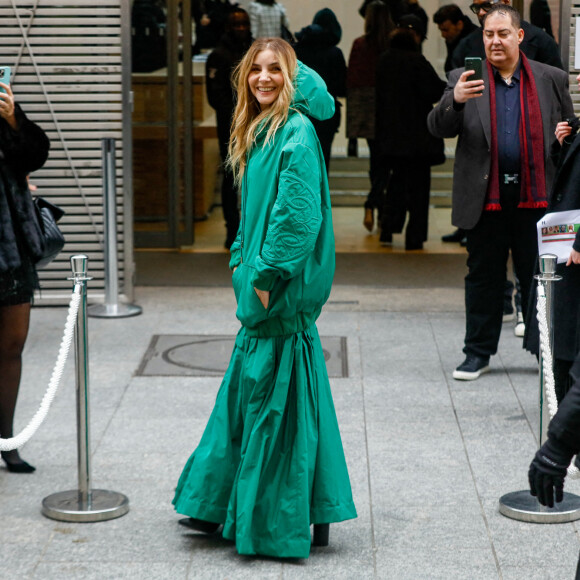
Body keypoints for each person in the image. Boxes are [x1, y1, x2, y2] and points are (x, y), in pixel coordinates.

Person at [173, 37, 357, 559]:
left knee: (276, 403)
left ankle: (277, 515)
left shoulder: (293, 130)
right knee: (260, 396)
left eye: (275, 69)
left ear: (292, 77)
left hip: (275, 292)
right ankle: (226, 502)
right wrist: (240, 259)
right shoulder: (260, 129)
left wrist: (264, 276)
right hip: (260, 285)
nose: (263, 78)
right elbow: (255, 212)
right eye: (256, 69)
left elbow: (296, 218)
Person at [427, 4, 573, 381]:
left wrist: (563, 142)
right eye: (488, 34)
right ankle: (477, 353)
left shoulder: (551, 78)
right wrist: (454, 99)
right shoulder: (464, 77)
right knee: (483, 279)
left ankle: (547, 353)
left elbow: (569, 139)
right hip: (485, 200)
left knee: (541, 279)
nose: (494, 41)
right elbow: (437, 127)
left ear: (519, 36)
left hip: (537, 200)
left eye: (502, 34)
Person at [0, 84, 51, 473]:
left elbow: (36, 154)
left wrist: (13, 118)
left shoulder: (6, 111)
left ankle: (7, 439)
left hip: (9, 246)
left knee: (12, 345)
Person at [525, 105, 580, 403]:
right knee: (559, 339)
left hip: (572, 247)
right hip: (563, 241)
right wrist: (564, 148)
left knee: (566, 342)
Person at [376, 26, 445, 249]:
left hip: (391, 136)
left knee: (395, 183)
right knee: (418, 190)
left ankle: (387, 229)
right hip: (417, 137)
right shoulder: (416, 61)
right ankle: (414, 237)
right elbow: (435, 91)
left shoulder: (384, 60)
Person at [206, 7, 253, 248]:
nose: (242, 29)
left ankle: (253, 231)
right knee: (231, 178)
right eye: (237, 25)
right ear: (228, 27)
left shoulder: (256, 53)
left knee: (258, 178)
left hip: (257, 125)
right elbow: (215, 96)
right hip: (230, 127)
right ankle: (232, 230)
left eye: (245, 24)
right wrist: (238, 115)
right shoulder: (219, 55)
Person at [347, 0, 394, 233]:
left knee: (376, 159)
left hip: (366, 108)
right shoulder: (393, 44)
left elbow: (353, 82)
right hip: (391, 108)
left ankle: (374, 203)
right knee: (388, 162)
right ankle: (376, 203)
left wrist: (352, 130)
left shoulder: (360, 44)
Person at [294, 8, 346, 172]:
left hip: (299, 113)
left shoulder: (296, 51)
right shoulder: (335, 53)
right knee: (322, 162)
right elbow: (342, 87)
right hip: (326, 115)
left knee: (299, 163)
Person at [451, 0, 562, 70]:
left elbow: (555, 92)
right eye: (476, 8)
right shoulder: (466, 46)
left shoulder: (541, 41)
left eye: (486, 5)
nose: (481, 12)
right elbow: (452, 98)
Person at [433, 4, 478, 74]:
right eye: (441, 30)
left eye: (446, 30)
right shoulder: (454, 39)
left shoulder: (474, 41)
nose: (443, 35)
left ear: (459, 24)